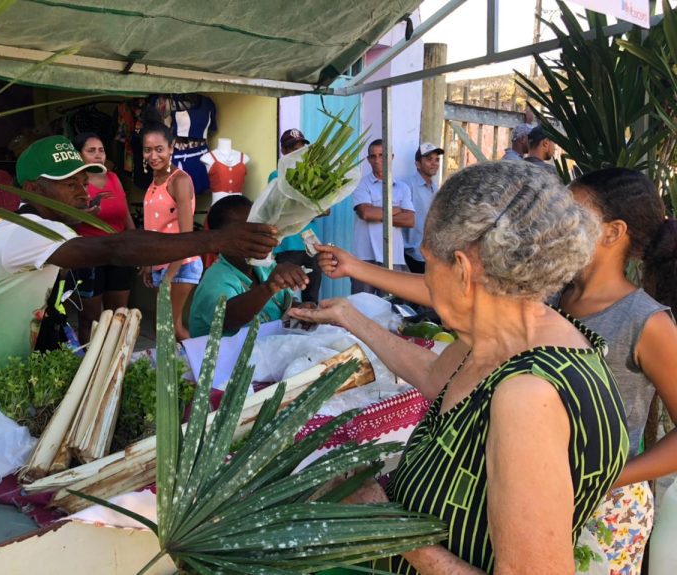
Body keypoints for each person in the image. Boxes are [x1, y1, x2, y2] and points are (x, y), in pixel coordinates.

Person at [289, 161, 628, 573]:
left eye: (428, 261)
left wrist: (385, 524)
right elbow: (438, 378)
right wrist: (350, 317)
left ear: (464, 270)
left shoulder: (527, 397)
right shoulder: (510, 335)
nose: (426, 280)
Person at [0, 135, 278, 392]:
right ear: (33, 191)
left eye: (83, 177)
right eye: (67, 182)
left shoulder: (38, 230)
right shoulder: (28, 231)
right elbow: (116, 248)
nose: (83, 187)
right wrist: (213, 240)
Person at [554, 168, 677, 574]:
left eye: (571, 212)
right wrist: (359, 271)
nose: (556, 222)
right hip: (538, 489)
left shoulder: (645, 322)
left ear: (612, 232)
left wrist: (609, 479)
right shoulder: (551, 294)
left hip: (604, 512)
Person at [189, 195, 309, 338]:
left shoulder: (264, 268)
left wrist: (302, 311)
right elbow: (227, 318)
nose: (256, 237)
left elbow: (282, 304)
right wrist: (269, 287)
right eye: (244, 233)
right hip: (223, 358)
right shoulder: (215, 279)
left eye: (257, 228)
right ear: (221, 240)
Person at [70, 132, 136, 345]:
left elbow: (125, 215)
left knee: (118, 315)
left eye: (101, 150)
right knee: (89, 317)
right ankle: (88, 363)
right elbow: (65, 220)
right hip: (89, 256)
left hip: (118, 254)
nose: (98, 155)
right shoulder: (73, 183)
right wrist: (86, 214)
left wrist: (137, 245)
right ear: (79, 155)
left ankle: (113, 361)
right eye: (91, 151)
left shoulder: (114, 178)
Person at [140, 122, 202, 342]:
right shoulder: (155, 181)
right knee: (168, 329)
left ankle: (200, 369)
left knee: (170, 329)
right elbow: (153, 228)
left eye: (159, 149)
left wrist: (169, 275)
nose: (153, 155)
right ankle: (182, 372)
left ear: (171, 148)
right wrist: (149, 264)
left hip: (181, 264)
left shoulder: (180, 180)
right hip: (162, 263)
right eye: (148, 150)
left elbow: (186, 236)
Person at [351, 138, 414, 295]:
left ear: (391, 157)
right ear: (368, 159)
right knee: (362, 305)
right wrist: (397, 209)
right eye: (373, 156)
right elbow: (365, 213)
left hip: (394, 257)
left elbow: (410, 220)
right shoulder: (361, 184)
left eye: (382, 155)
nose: (378, 160)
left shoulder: (402, 188)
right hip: (365, 257)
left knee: (392, 308)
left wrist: (376, 212)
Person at [270, 129, 323, 303]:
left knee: (312, 298)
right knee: (286, 298)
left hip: (311, 244)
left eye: (301, 148)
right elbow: (279, 208)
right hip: (287, 245)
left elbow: (326, 209)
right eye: (293, 148)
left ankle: (309, 328)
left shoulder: (314, 175)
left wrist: (306, 205)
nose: (298, 152)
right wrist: (309, 205)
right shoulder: (276, 176)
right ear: (283, 151)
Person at [403, 143, 443, 274]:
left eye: (437, 159)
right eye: (429, 159)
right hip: (411, 255)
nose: (434, 163)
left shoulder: (435, 188)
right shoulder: (407, 186)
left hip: (430, 256)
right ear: (418, 164)